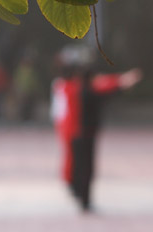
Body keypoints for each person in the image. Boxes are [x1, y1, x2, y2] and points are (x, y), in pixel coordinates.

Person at [58, 66, 142, 212]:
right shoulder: (87, 92)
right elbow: (105, 89)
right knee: (86, 168)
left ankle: (77, 191)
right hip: (84, 134)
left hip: (72, 132)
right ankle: (84, 200)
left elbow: (103, 84)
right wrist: (123, 83)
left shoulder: (70, 88)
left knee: (77, 165)